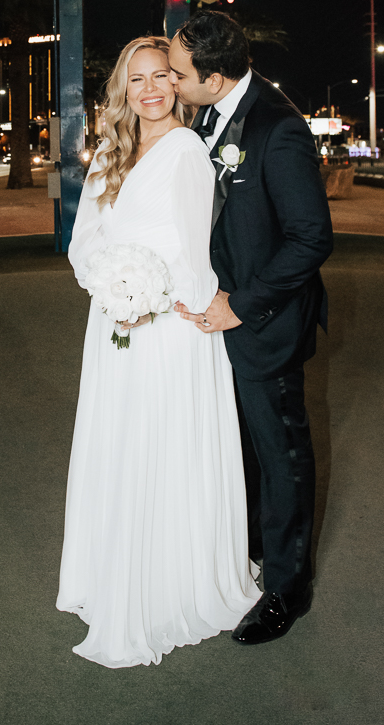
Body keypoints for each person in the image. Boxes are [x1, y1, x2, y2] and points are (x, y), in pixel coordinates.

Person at [57, 35, 259, 668]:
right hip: (114, 322)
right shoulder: (110, 152)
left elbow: (195, 251)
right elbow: (83, 238)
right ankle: (113, 569)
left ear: (177, 84)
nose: (149, 89)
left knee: (161, 442)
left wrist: (159, 295)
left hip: (170, 328)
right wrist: (112, 282)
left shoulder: (187, 152)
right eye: (136, 78)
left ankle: (172, 581)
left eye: (161, 77)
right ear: (124, 87)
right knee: (118, 441)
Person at [168, 11, 333, 646]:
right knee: (239, 446)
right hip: (216, 316)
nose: (173, 83)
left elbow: (310, 238)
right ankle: (256, 549)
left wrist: (241, 304)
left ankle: (288, 589)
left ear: (214, 77)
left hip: (264, 322)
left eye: (180, 74)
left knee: (280, 451)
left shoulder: (279, 126)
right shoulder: (207, 112)